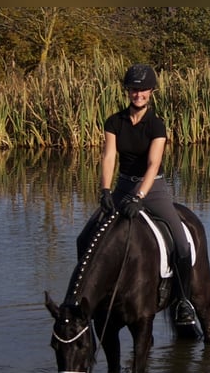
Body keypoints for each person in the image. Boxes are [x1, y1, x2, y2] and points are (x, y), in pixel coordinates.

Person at [76, 63, 196, 327]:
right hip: (121, 188)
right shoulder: (114, 122)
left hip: (153, 190)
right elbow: (108, 157)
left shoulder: (156, 125)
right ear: (127, 91)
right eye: (133, 89)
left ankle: (183, 302)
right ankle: (85, 297)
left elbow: (153, 164)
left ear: (151, 91)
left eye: (142, 90)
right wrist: (105, 190)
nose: (137, 94)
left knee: (182, 243)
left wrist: (140, 196)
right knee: (83, 238)